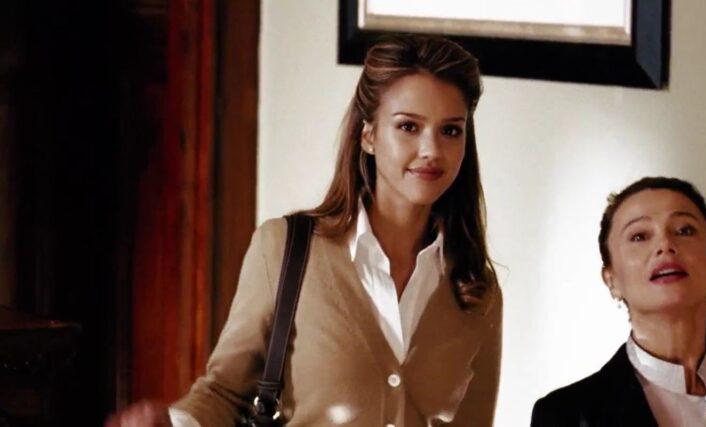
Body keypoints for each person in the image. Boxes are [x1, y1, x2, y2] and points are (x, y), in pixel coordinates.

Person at [107, 34, 502, 426]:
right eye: (408, 127)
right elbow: (224, 392)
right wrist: (172, 424)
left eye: (451, 130)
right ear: (368, 136)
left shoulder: (476, 290)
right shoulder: (285, 249)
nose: (431, 150)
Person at [530, 177, 706, 426]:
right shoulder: (567, 416)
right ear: (611, 280)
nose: (665, 245)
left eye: (684, 230)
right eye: (639, 236)